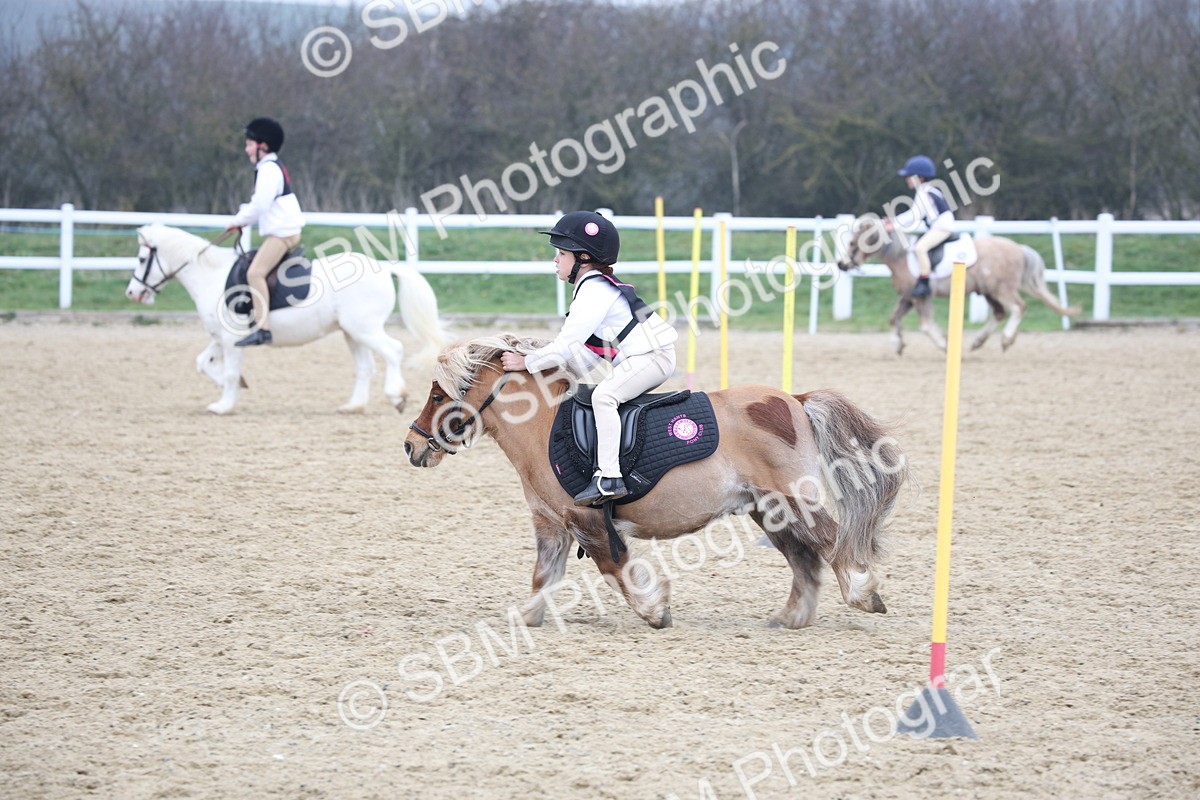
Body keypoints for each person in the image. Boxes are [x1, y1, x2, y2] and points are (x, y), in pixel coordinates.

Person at [500, 211, 678, 506]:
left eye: (561, 253)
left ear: (583, 257)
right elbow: (587, 355)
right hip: (645, 356)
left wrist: (526, 362)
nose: (556, 260)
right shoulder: (593, 288)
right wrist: (554, 377)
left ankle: (609, 478)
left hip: (652, 357)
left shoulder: (593, 291)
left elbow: (565, 346)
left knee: (604, 397)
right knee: (601, 394)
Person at [226, 117, 305, 346]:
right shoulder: (270, 167)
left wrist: (237, 221)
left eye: (250, 144)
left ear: (263, 146)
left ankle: (263, 328)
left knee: (255, 273)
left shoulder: (268, 170)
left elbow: (260, 205)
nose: (246, 149)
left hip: (283, 233)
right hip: (283, 231)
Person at [893, 154, 955, 298]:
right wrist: (894, 221)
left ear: (920, 178)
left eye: (909, 176)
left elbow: (914, 215)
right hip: (938, 226)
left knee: (920, 248)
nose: (906, 180)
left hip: (942, 228)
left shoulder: (925, 193)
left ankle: (924, 282)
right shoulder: (926, 191)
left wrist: (894, 225)